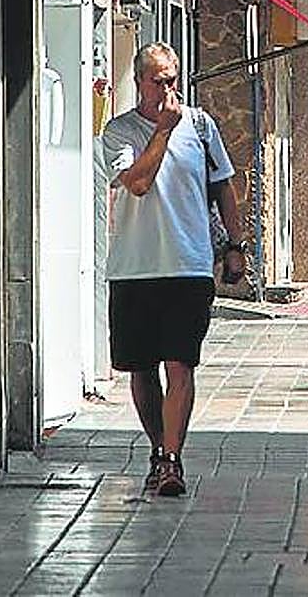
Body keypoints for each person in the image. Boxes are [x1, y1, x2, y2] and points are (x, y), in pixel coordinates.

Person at [101, 42, 246, 497]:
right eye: (157, 81)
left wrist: (236, 246)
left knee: (180, 363)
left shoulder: (200, 126)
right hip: (135, 267)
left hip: (189, 264)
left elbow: (223, 187)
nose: (167, 89)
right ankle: (157, 448)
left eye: (172, 80)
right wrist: (162, 131)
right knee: (141, 369)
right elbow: (138, 183)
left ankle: (171, 459)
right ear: (139, 82)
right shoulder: (120, 132)